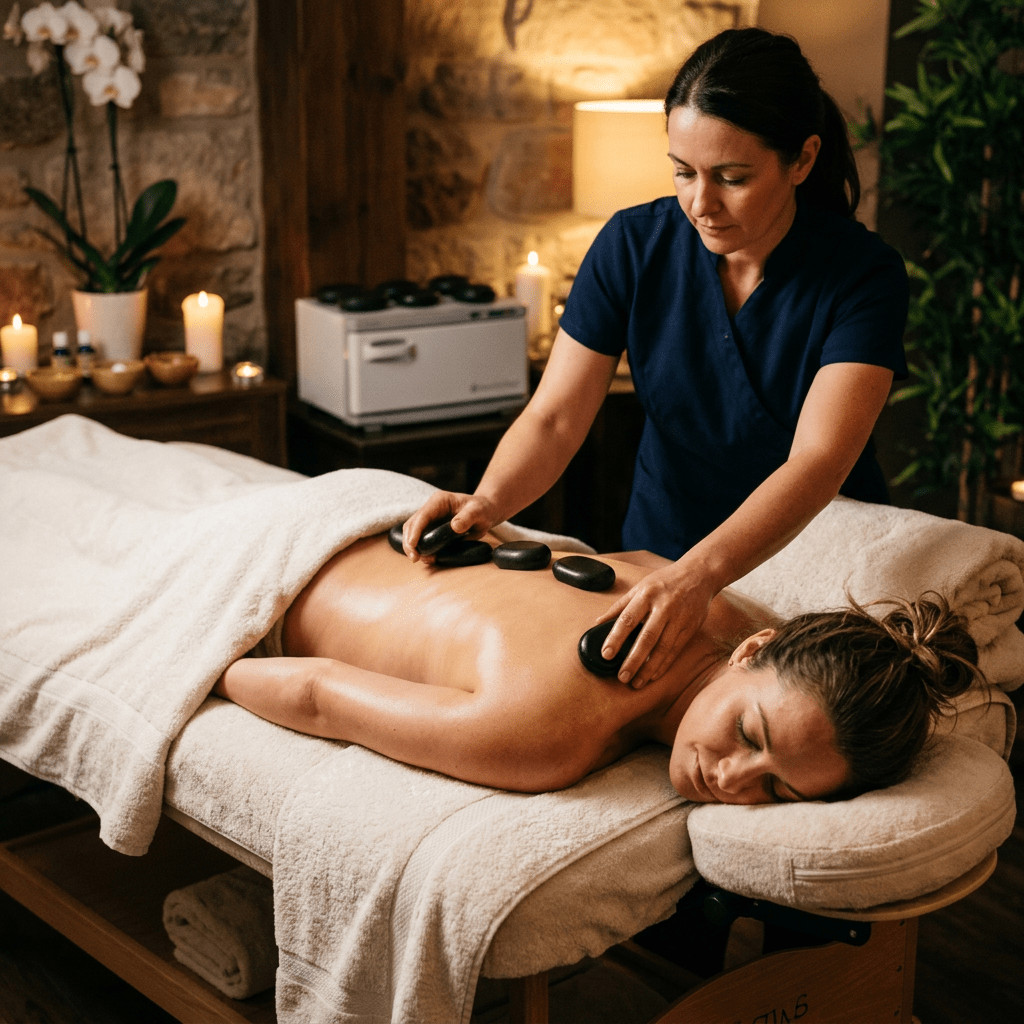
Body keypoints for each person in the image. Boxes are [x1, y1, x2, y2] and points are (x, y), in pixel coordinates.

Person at [401, 28, 910, 692]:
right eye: (683, 171)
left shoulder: (862, 275)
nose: (701, 203)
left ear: (803, 158)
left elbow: (817, 463)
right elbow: (555, 418)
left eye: (733, 177)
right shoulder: (632, 247)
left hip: (812, 556)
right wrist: (486, 503)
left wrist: (699, 576)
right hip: (658, 547)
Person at [214, 535, 980, 803]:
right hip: (278, 571)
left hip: (392, 519)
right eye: (749, 733)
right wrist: (207, 668)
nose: (732, 779)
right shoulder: (545, 737)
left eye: (777, 790)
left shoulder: (731, 611)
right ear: (753, 652)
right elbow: (315, 696)